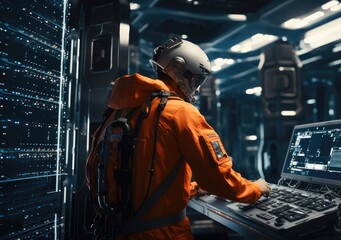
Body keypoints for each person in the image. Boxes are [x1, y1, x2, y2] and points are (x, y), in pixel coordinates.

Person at [89, 35, 270, 240]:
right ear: (177, 67)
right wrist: (255, 189)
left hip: (114, 232)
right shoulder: (181, 112)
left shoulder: (119, 112)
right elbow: (218, 179)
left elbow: (108, 175)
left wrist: (191, 189)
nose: (198, 88)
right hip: (163, 235)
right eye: (196, 79)